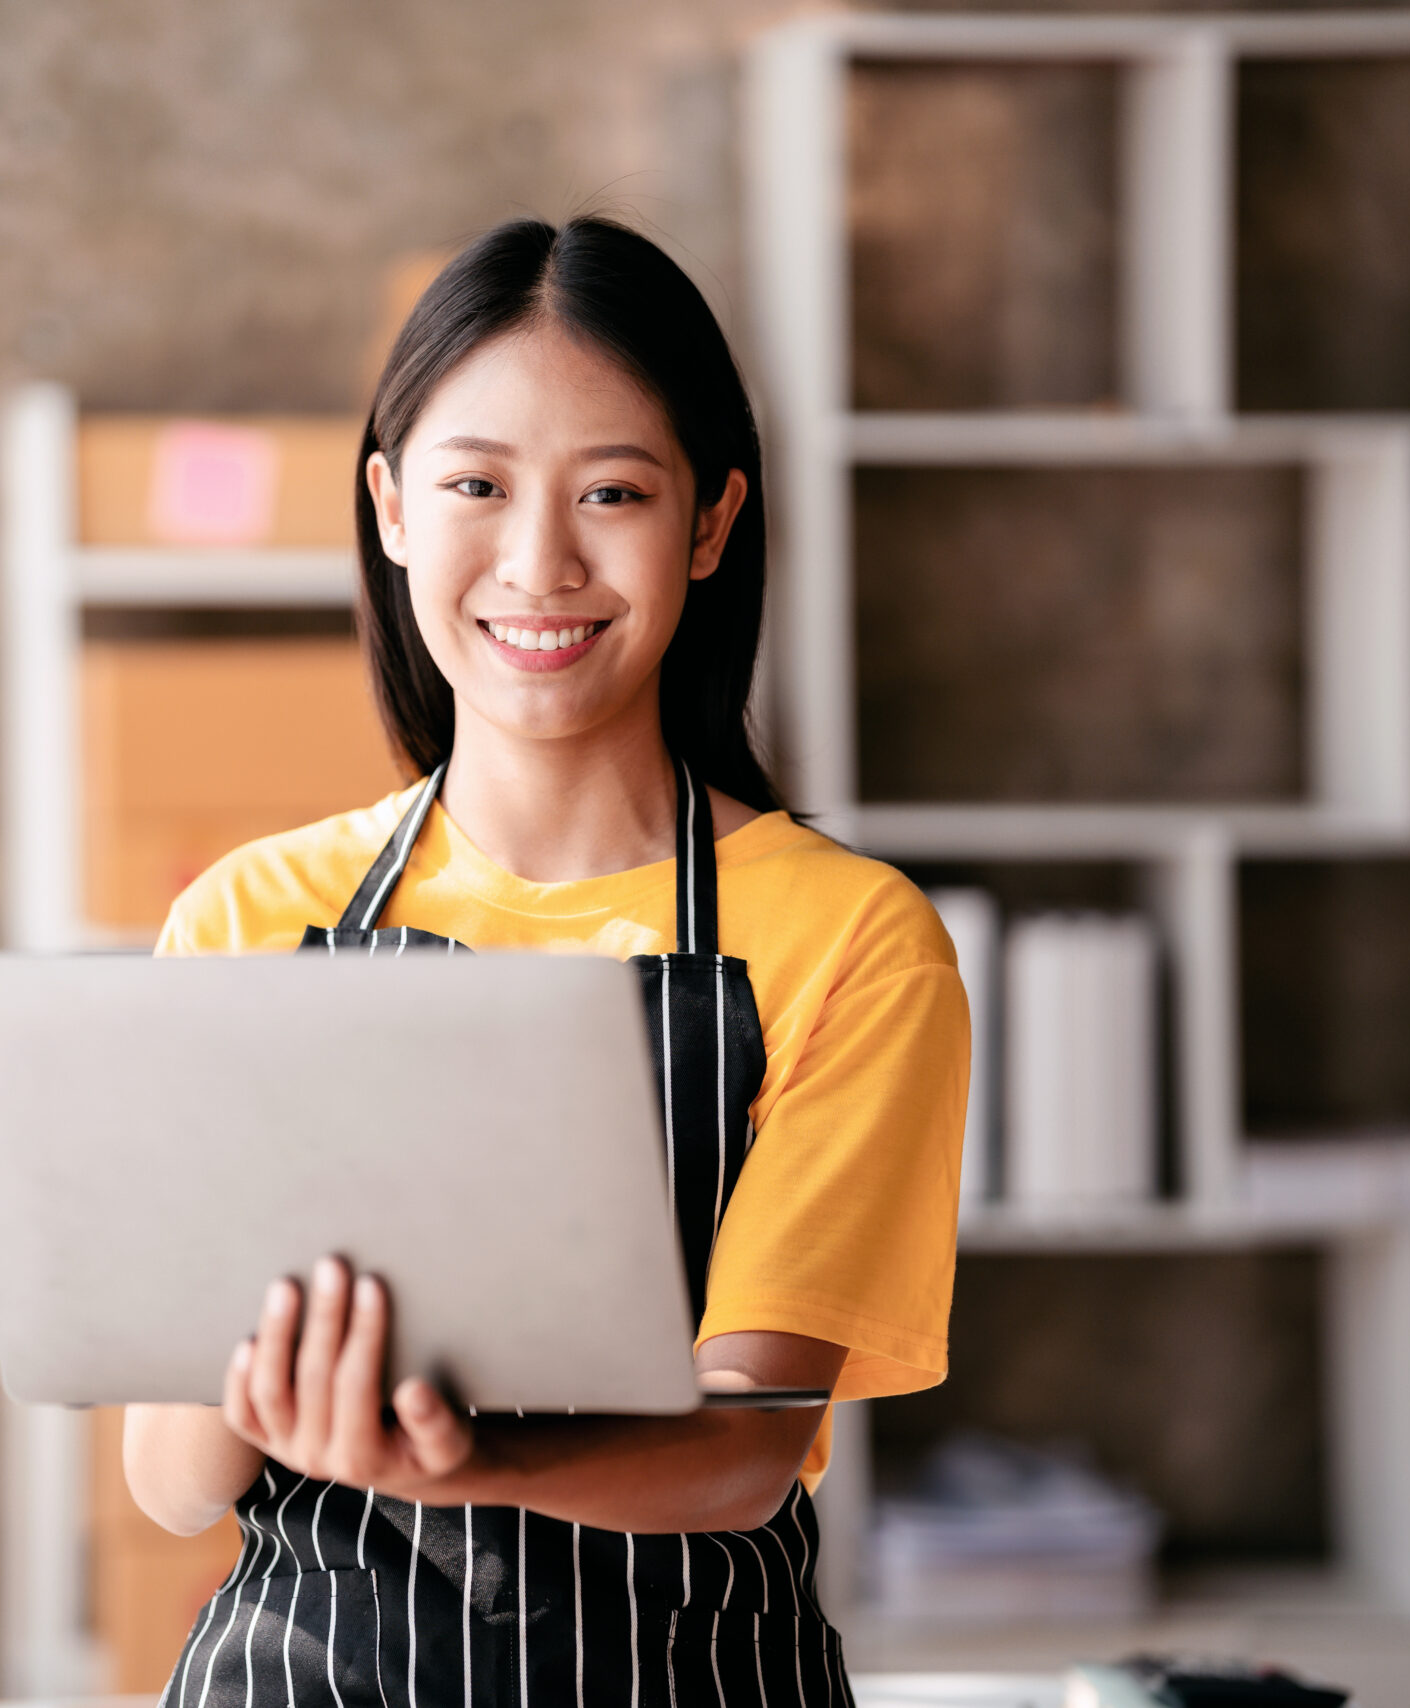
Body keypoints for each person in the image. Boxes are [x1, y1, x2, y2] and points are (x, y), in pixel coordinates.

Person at [126, 215, 969, 1708]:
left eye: (614, 493)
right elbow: (175, 1482)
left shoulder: (849, 942)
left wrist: (469, 1461)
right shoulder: (250, 918)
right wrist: (263, 1395)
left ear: (709, 527)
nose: (539, 562)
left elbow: (747, 1450)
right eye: (475, 486)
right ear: (389, 508)